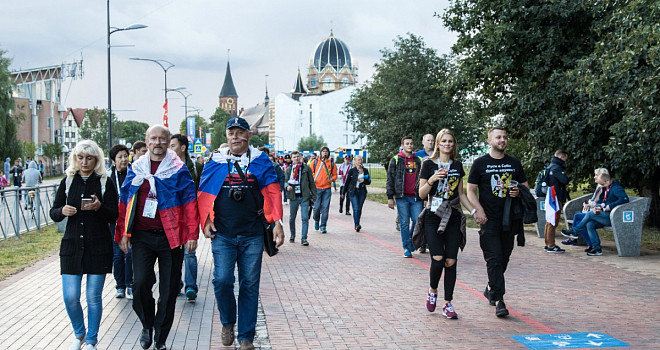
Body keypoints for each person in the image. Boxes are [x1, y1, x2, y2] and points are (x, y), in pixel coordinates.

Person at [197, 117, 284, 350]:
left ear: (249, 135)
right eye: (231, 132)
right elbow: (204, 193)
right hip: (222, 234)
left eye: (240, 132)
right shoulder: (215, 161)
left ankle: (246, 337)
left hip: (252, 234)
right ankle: (227, 323)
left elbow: (272, 192)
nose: (235, 136)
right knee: (222, 281)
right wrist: (205, 219)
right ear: (226, 136)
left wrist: (277, 222)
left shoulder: (260, 161)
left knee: (249, 285)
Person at [116, 125, 199, 350]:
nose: (158, 142)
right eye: (153, 139)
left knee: (169, 290)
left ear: (168, 141)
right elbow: (124, 201)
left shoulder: (178, 170)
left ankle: (160, 338)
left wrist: (192, 233)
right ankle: (147, 324)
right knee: (140, 282)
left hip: (170, 237)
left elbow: (190, 202)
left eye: (163, 139)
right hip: (142, 237)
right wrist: (123, 233)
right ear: (147, 141)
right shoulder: (136, 169)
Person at [50, 140, 119, 350]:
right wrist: (62, 211)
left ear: (96, 160)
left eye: (89, 158)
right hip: (71, 246)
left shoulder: (105, 182)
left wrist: (99, 207)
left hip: (98, 246)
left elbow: (114, 214)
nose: (84, 162)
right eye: (80, 158)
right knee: (70, 297)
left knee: (93, 297)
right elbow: (54, 212)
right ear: (75, 159)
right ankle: (79, 333)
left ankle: (91, 340)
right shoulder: (68, 182)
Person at [467, 126, 528, 318]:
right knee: (493, 259)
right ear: (489, 140)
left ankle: (490, 288)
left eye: (505, 137)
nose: (502, 140)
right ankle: (500, 300)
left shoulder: (514, 163)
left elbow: (525, 187)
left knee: (503, 259)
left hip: (510, 220)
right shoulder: (480, 163)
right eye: (498, 137)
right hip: (489, 219)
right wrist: (479, 210)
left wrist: (519, 191)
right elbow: (470, 190)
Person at [417, 129, 476, 319]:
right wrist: (433, 179)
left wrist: (474, 211)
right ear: (438, 144)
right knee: (438, 258)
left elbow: (460, 195)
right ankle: (432, 290)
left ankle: (448, 303)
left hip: (452, 215)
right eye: (444, 141)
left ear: (454, 144)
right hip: (433, 215)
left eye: (450, 141)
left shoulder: (457, 166)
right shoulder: (428, 165)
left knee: (451, 261)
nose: (447, 144)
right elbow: (421, 194)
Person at [170, 134, 204, 301]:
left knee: (189, 252)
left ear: (183, 148)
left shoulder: (196, 167)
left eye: (173, 145)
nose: (170, 149)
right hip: (171, 216)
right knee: (173, 252)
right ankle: (176, 284)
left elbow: (203, 192)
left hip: (190, 215)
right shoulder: (166, 166)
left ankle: (191, 286)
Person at [571, 170, 629, 256]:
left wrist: (611, 205)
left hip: (612, 216)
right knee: (590, 224)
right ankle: (597, 248)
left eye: (602, 184)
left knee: (590, 214)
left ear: (608, 181)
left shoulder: (616, 188)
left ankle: (575, 230)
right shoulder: (606, 187)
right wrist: (598, 207)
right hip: (605, 213)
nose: (601, 186)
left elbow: (624, 199)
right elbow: (603, 201)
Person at [387, 136, 423, 258]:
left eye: (411, 143)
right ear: (402, 145)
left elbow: (423, 179)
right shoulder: (396, 159)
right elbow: (390, 179)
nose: (409, 145)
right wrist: (390, 197)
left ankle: (411, 241)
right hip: (401, 196)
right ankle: (406, 247)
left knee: (417, 220)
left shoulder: (418, 160)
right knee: (404, 223)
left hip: (416, 197)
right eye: (407, 143)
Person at [108, 144, 133, 300]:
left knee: (129, 253)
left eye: (126, 156)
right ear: (113, 161)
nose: (124, 159)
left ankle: (130, 284)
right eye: (120, 157)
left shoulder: (135, 173)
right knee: (117, 255)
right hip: (115, 220)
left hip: (130, 218)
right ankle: (119, 285)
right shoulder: (108, 178)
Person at [561, 168, 608, 249]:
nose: (594, 177)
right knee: (578, 216)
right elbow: (597, 200)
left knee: (584, 220)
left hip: (599, 212)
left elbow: (601, 202)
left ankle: (575, 234)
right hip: (594, 209)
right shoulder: (600, 187)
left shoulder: (604, 187)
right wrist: (590, 204)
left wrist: (592, 204)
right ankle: (576, 236)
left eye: (596, 175)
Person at [285, 151, 317, 245]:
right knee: (292, 218)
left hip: (304, 196)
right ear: (291, 159)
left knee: (305, 218)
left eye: (298, 156)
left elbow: (311, 182)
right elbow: (285, 181)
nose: (296, 158)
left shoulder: (306, 168)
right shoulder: (289, 169)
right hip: (294, 196)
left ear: (301, 157)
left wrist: (314, 196)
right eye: (294, 157)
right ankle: (292, 235)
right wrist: (287, 186)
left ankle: (304, 239)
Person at [542, 150, 570, 253]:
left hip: (550, 197)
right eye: (565, 159)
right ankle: (551, 245)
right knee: (553, 221)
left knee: (549, 221)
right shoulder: (557, 168)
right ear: (562, 157)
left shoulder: (549, 167)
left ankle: (547, 243)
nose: (565, 161)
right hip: (556, 197)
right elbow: (565, 180)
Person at [309, 146, 337, 233]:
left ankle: (323, 225)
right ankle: (316, 220)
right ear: (320, 153)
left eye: (326, 151)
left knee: (325, 207)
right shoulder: (315, 162)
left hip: (327, 188)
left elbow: (335, 175)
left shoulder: (331, 163)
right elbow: (310, 173)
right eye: (323, 151)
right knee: (316, 207)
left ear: (328, 153)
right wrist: (313, 180)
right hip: (317, 188)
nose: (325, 153)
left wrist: (332, 179)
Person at [344, 154, 371, 231]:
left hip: (362, 191)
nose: (360, 161)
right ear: (355, 161)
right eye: (358, 160)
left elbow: (369, 181)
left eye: (361, 159)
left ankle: (357, 222)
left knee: (359, 208)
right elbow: (347, 182)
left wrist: (364, 181)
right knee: (356, 208)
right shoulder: (352, 171)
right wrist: (343, 193)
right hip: (353, 191)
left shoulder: (365, 170)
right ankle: (357, 224)